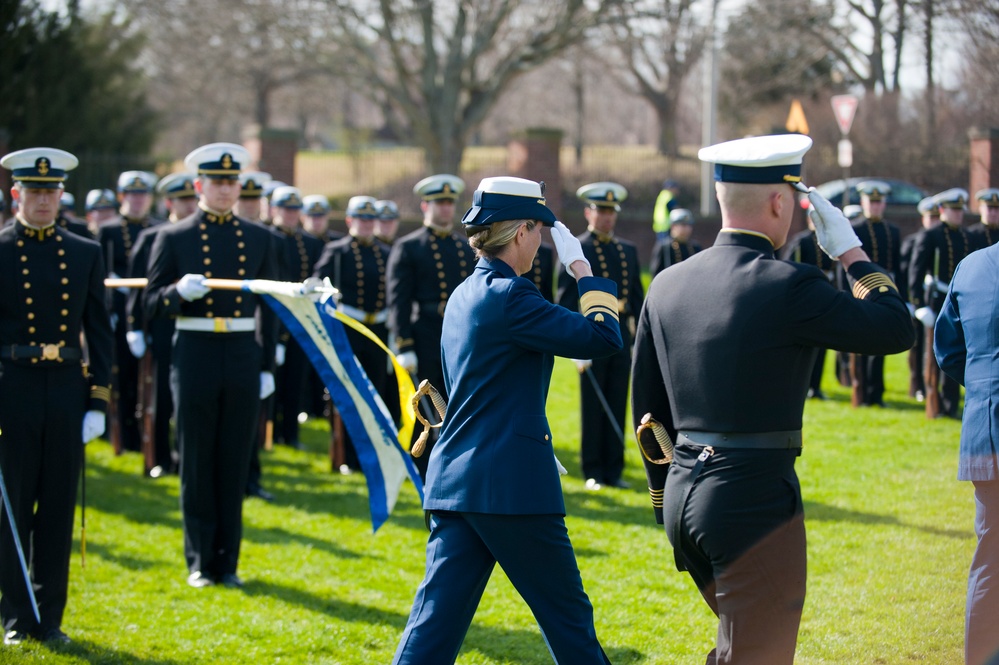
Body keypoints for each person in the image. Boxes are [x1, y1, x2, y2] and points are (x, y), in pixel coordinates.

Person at [631, 134, 915, 665]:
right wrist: (851, 253)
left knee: (739, 646)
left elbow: (646, 408)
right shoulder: (789, 284)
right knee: (761, 652)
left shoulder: (666, 282)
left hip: (681, 495)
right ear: (781, 202)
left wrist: (661, 493)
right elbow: (894, 329)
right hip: (751, 498)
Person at [392, 176, 620, 665]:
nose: (541, 242)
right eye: (538, 230)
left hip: (459, 478)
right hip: (511, 487)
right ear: (521, 233)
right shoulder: (513, 296)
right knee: (569, 623)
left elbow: (487, 386)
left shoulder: (464, 293)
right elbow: (604, 338)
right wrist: (581, 267)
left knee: (432, 629)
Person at [144, 143, 278, 588]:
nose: (225, 189)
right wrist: (177, 293)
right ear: (199, 185)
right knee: (198, 457)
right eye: (216, 182)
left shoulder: (259, 237)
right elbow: (148, 304)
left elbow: (270, 306)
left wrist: (266, 365)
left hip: (241, 351)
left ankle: (229, 562)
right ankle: (200, 559)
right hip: (196, 351)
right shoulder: (174, 237)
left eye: (231, 182)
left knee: (234, 459)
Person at [0, 147, 113, 645]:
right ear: (15, 194)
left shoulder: (84, 251)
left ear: (61, 195)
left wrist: (99, 401)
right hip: (13, 387)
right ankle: (16, 618)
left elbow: (101, 333)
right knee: (13, 506)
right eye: (34, 191)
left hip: (66, 390)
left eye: (51, 192)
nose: (43, 200)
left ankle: (51, 619)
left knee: (58, 504)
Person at [934, 241, 999, 665]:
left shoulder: (972, 265)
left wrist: (984, 392)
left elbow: (949, 351)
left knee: (990, 560)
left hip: (986, 431)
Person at [557, 181, 644, 491]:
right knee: (594, 407)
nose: (606, 217)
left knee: (617, 401)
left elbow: (636, 300)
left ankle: (614, 469)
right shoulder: (578, 250)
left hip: (619, 337)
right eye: (600, 210)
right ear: (588, 212)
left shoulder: (628, 250)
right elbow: (566, 301)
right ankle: (593, 468)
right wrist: (574, 347)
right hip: (591, 337)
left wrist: (638, 341)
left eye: (610, 211)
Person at [386, 173, 471, 479]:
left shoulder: (464, 248)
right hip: (424, 335)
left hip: (459, 337)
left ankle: (455, 465)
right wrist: (404, 344)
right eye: (439, 203)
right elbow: (398, 300)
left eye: (449, 203)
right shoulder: (409, 247)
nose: (446, 209)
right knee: (424, 408)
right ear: (425, 206)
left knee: (457, 403)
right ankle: (419, 468)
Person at [124, 172, 199, 477]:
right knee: (160, 397)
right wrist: (135, 326)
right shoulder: (153, 237)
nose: (189, 206)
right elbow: (140, 288)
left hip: (193, 326)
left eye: (192, 199)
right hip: (162, 325)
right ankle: (160, 457)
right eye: (183, 201)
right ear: (170, 202)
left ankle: (184, 457)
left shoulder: (198, 235)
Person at [313, 195, 392, 472]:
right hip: (349, 327)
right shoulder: (337, 251)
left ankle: (374, 456)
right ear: (349, 221)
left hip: (379, 329)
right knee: (349, 393)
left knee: (375, 393)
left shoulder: (385, 253)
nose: (367, 225)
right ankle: (345, 455)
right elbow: (317, 284)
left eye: (371, 220)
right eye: (361, 219)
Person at [98, 170, 161, 453]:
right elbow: (98, 276)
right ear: (122, 197)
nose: (137, 201)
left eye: (142, 195)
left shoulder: (156, 229)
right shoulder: (109, 230)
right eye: (132, 195)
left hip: (149, 309)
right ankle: (123, 435)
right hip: (120, 311)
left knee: (148, 378)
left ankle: (146, 434)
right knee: (122, 376)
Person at [910, 188, 973, 419]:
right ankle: (932, 397)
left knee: (958, 351)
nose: (958, 215)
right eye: (952, 210)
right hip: (936, 300)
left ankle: (951, 402)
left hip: (960, 299)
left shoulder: (967, 237)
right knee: (935, 353)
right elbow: (915, 271)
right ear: (942, 210)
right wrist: (918, 305)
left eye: (959, 210)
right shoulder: (931, 235)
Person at [270, 185, 324, 449]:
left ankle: (290, 433)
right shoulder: (266, 238)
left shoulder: (310, 243)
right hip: (272, 319)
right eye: (285, 210)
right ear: (274, 211)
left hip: (300, 320)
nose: (290, 216)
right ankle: (267, 433)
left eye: (294, 211)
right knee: (271, 381)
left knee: (295, 379)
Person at [841, 179, 903, 407]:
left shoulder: (892, 231)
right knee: (862, 346)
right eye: (871, 202)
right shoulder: (854, 228)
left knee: (880, 346)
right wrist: (845, 295)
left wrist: (902, 295)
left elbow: (898, 266)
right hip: (860, 291)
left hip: (884, 292)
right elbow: (845, 265)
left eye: (879, 203)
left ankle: (877, 393)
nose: (875, 207)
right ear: (863, 202)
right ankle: (861, 390)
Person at [780, 212, 837, 400]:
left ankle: (816, 386)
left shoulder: (828, 241)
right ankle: (803, 386)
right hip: (805, 295)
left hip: (825, 293)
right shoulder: (801, 241)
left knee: (821, 346)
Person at [900, 195, 941, 402]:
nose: (934, 222)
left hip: (935, 297)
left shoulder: (943, 238)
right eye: (930, 217)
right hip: (918, 300)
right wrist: (910, 301)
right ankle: (917, 384)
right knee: (917, 346)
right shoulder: (913, 241)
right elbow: (907, 273)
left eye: (937, 217)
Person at [650, 207, 702, 277]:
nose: (687, 228)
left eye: (689, 225)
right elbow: (655, 274)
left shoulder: (695, 247)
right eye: (683, 225)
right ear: (673, 226)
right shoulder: (665, 247)